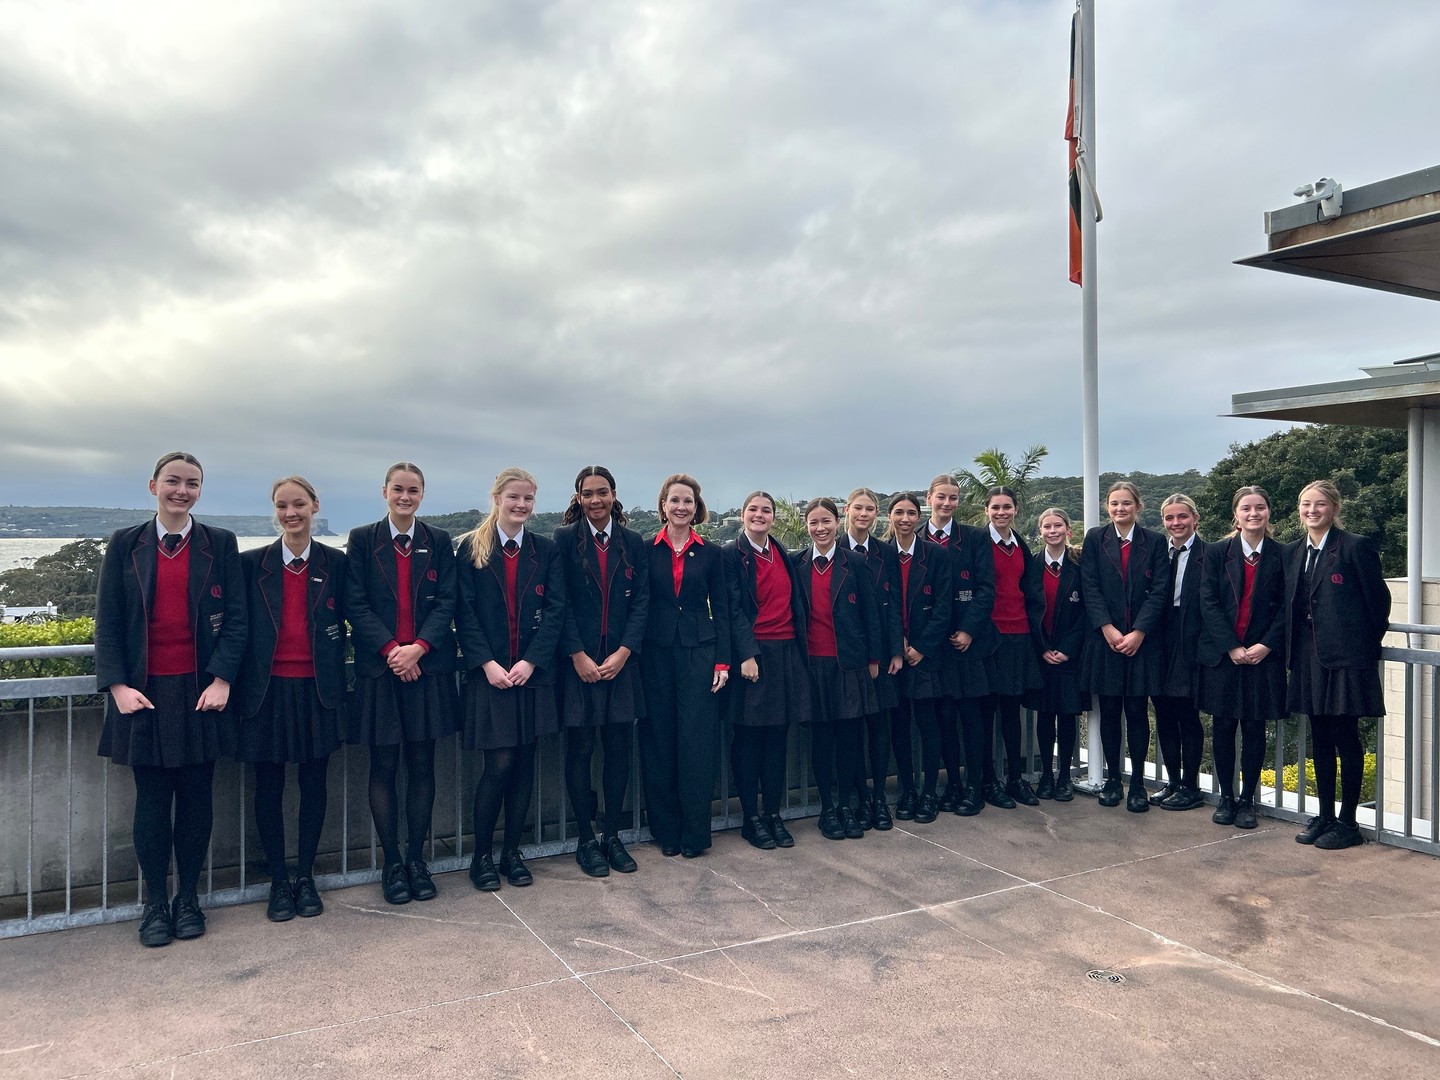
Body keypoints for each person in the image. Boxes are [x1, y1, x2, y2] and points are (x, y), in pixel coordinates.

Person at [95, 451, 248, 947]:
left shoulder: (219, 543)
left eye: (192, 483)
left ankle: (189, 898)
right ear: (153, 486)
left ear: (200, 490)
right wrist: (118, 686)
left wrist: (222, 679)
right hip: (144, 692)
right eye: (173, 481)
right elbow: (109, 623)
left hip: (200, 690)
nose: (182, 490)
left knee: (198, 799)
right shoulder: (124, 544)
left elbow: (238, 621)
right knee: (152, 801)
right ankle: (155, 903)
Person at [345, 462, 459, 905]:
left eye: (413, 490)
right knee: (384, 768)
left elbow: (447, 601)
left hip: (426, 669)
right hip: (381, 670)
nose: (405, 496)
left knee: (422, 767)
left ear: (422, 495)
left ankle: (417, 859)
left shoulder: (439, 541)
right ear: (385, 492)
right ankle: (391, 862)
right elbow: (355, 602)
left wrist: (420, 648)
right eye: (398, 489)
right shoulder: (362, 540)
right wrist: (394, 649)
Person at [236, 476, 347, 922]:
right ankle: (278, 881)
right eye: (282, 506)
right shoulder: (251, 564)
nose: (291, 513)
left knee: (315, 785)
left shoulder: (337, 563)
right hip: (266, 691)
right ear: (275, 511)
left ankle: (306, 875)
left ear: (314, 506)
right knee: (268, 787)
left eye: (298, 504)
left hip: (317, 689)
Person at [456, 468, 567, 890]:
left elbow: (555, 610)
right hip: (491, 676)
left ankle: (511, 853)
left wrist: (532, 661)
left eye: (528, 499)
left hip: (531, 675)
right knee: (498, 765)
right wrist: (486, 663)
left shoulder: (545, 549)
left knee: (523, 766)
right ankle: (481, 856)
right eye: (514, 498)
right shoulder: (470, 549)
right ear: (497, 498)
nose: (521, 505)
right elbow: (463, 613)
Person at [1283, 479, 1390, 850]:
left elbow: (1378, 604)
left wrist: (1361, 647)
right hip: (1308, 658)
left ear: (1334, 508)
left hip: (1347, 659)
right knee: (1320, 737)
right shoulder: (1295, 551)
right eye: (1305, 504)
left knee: (1346, 737)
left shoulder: (1355, 547)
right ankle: (1325, 815)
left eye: (1320, 504)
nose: (1312, 510)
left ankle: (1348, 822)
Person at [554, 466, 649, 877]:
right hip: (579, 665)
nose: (596, 500)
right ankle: (585, 840)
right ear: (578, 497)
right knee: (579, 751)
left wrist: (625, 652)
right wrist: (576, 654)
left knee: (618, 750)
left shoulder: (632, 541)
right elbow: (559, 603)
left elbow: (642, 602)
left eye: (603, 493)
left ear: (614, 495)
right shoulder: (561, 541)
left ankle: (612, 835)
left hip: (620, 665)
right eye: (588, 494)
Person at [640, 474, 734, 858]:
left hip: (700, 652)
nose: (682, 507)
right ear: (663, 504)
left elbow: (724, 610)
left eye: (689, 502)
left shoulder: (712, 553)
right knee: (659, 741)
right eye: (675, 500)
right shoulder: (645, 550)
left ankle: (696, 832)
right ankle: (666, 832)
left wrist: (724, 660)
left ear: (697, 508)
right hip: (656, 652)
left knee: (697, 742)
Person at [792, 498, 882, 840]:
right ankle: (827, 808)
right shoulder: (796, 563)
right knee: (821, 739)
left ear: (836, 521)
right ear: (807, 525)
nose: (820, 528)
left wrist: (873, 659)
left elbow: (871, 614)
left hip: (849, 663)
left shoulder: (855, 562)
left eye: (826, 521)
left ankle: (846, 805)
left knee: (849, 739)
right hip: (812, 664)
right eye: (813, 522)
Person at [1198, 486, 1287, 830]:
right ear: (1235, 515)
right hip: (1225, 655)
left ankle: (1248, 799)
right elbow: (1208, 601)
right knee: (1222, 726)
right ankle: (1226, 797)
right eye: (1246, 508)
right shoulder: (1217, 552)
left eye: (1260, 507)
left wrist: (1265, 645)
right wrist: (1231, 646)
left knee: (1254, 727)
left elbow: (1285, 607)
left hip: (1263, 656)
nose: (1253, 513)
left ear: (1268, 512)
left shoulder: (1283, 554)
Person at [1079, 480, 1171, 812]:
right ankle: (1113, 780)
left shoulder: (1155, 542)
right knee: (1110, 712)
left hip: (1141, 643)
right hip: (1105, 641)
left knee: (1136, 712)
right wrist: (1107, 627)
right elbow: (1088, 585)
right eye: (1115, 503)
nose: (1121, 508)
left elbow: (1161, 590)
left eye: (1127, 503)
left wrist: (1139, 632)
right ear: (1107, 507)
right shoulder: (1095, 539)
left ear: (1138, 506)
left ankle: (1136, 786)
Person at [726, 491, 809, 851]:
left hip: (786, 651)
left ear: (774, 517)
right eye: (753, 509)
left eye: (766, 510)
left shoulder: (783, 555)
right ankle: (750, 818)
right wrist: (746, 653)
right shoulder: (731, 554)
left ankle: (773, 813)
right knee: (748, 740)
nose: (759, 515)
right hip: (753, 655)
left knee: (778, 738)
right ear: (742, 515)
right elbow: (731, 608)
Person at [923, 474, 998, 815]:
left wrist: (968, 629)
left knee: (972, 718)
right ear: (930, 498)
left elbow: (986, 589)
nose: (947, 503)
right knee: (944, 718)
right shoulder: (915, 537)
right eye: (942, 497)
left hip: (968, 644)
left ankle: (974, 788)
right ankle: (951, 784)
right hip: (932, 646)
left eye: (953, 498)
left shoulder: (975, 537)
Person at [882, 492, 952, 823]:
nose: (906, 518)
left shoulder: (936, 555)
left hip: (927, 656)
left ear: (918, 515)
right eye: (899, 512)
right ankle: (907, 790)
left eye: (911, 512)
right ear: (890, 516)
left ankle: (928, 794)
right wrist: (900, 643)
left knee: (928, 724)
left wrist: (921, 646)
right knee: (899, 725)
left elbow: (944, 606)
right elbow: (883, 605)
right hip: (895, 656)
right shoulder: (882, 555)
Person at [842, 488, 905, 830]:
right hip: (849, 657)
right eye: (858, 508)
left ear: (877, 514)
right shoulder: (832, 549)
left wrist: (894, 649)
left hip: (881, 655)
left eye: (870, 509)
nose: (864, 514)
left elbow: (894, 604)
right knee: (851, 731)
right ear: (847, 510)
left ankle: (879, 799)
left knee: (880, 729)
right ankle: (858, 799)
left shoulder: (885, 553)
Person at [981, 486, 1045, 806]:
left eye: (1007, 507)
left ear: (1015, 510)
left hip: (1019, 635)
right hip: (989, 639)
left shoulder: (1020, 544)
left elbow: (1030, 591)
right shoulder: (979, 543)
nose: (1001, 512)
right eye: (996, 507)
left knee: (1011, 713)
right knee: (985, 712)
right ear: (986, 510)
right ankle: (988, 781)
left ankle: (1016, 779)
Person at [1150, 494, 1208, 811]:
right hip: (1160, 639)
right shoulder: (1160, 553)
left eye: (1182, 516)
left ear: (1194, 519)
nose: (1176, 523)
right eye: (1170, 518)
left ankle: (1191, 785)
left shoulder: (1208, 554)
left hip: (1191, 639)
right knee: (1164, 713)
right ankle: (1173, 782)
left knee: (1188, 714)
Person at [1033, 508, 1085, 801]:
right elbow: (1028, 610)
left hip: (1069, 655)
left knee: (1067, 717)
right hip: (1041, 653)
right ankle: (1045, 775)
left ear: (1068, 530)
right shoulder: (1032, 566)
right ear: (1040, 531)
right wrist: (1042, 648)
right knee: (1044, 716)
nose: (1052, 531)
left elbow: (1088, 612)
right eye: (1047, 526)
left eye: (1058, 526)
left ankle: (1064, 775)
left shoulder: (1080, 565)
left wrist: (1067, 649)